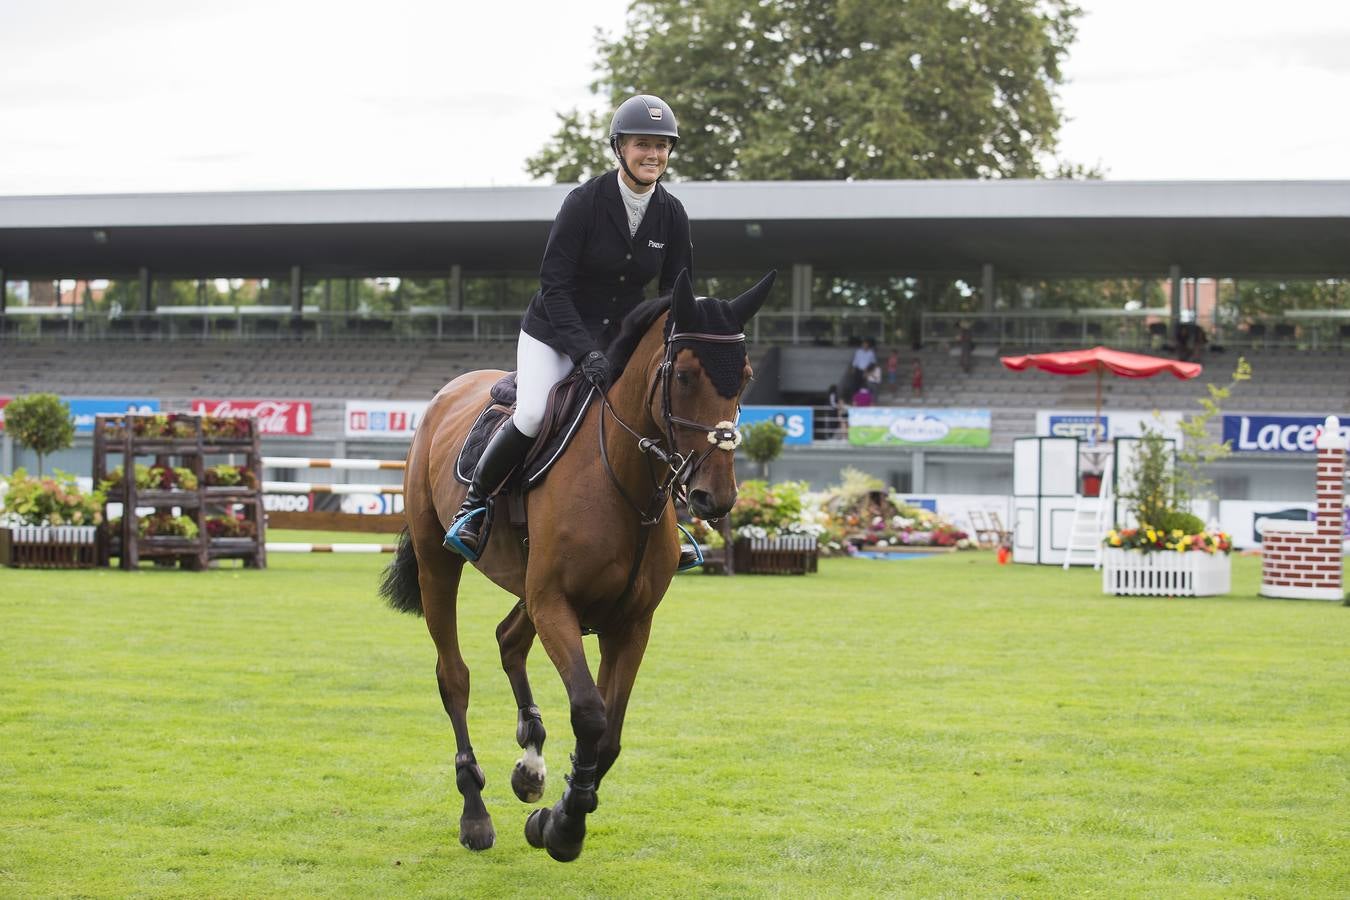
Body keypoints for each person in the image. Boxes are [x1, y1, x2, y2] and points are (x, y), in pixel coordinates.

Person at [445, 94, 693, 559]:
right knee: (535, 412)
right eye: (643, 144)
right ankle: (474, 508)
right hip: (555, 333)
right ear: (620, 148)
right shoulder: (584, 202)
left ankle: (676, 525)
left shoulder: (672, 213)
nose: (653, 155)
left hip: (620, 341)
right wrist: (585, 352)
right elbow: (554, 287)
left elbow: (675, 293)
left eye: (661, 146)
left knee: (655, 417)